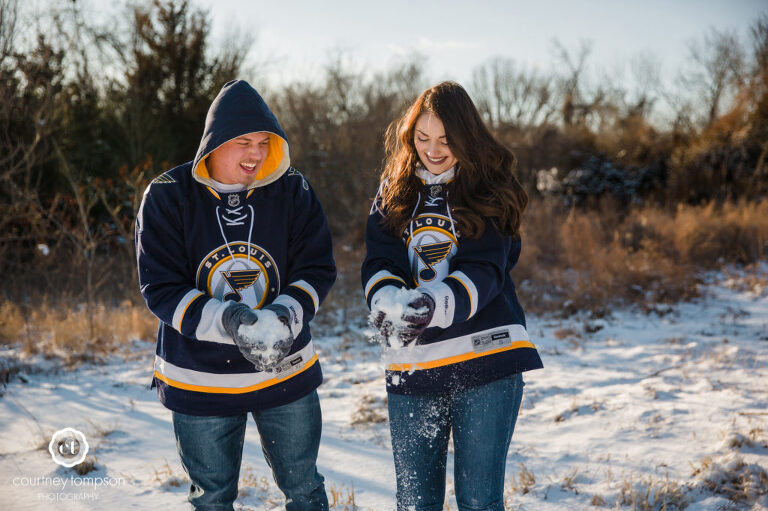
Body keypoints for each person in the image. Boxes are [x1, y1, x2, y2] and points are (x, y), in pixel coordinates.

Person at [136, 79, 336, 510]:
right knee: (212, 499)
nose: (256, 153)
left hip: (286, 372)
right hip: (199, 379)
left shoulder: (292, 190)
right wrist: (227, 320)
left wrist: (285, 313)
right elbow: (160, 285)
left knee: (305, 491)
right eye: (243, 141)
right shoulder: (168, 195)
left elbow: (317, 267)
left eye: (264, 142)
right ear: (213, 143)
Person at [361, 81, 544, 511]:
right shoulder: (394, 190)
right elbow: (379, 259)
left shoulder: (487, 188)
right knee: (415, 503)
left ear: (467, 137)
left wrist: (430, 306)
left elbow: (485, 269)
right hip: (414, 365)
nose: (433, 149)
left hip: (486, 360)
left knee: (479, 502)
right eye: (422, 138)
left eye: (445, 139)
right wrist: (387, 297)